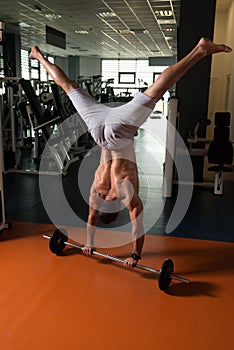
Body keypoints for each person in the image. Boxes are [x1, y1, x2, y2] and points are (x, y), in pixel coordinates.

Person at [30, 38, 232, 268]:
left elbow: (137, 225)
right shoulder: (95, 193)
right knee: (68, 86)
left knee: (157, 89)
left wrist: (135, 255)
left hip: (120, 132)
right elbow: (91, 219)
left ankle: (199, 50)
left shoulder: (122, 191)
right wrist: (89, 243)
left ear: (114, 212)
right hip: (98, 130)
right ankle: (39, 56)